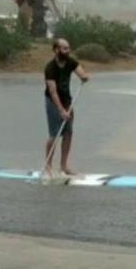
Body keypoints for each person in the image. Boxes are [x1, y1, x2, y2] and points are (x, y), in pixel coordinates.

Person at [44, 38, 88, 178]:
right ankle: (48, 166)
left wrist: (84, 77)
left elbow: (81, 72)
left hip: (67, 101)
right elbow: (52, 91)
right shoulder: (50, 68)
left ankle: (63, 166)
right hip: (53, 102)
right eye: (64, 48)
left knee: (68, 133)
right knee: (55, 134)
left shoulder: (70, 61)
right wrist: (61, 110)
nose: (67, 51)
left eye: (68, 48)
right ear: (56, 50)